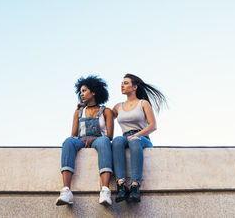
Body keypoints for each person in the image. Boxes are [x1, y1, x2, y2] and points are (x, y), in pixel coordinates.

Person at [56, 75, 114, 206]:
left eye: (84, 90)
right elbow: (74, 134)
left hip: (99, 140)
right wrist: (82, 141)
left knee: (104, 142)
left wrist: (93, 139)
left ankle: (105, 190)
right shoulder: (78, 112)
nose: (81, 94)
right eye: (80, 91)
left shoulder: (106, 111)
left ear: (94, 92)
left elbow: (109, 135)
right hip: (81, 140)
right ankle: (66, 191)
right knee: (68, 141)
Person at [112, 73, 166, 203]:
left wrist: (137, 135)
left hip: (142, 137)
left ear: (134, 87)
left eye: (126, 83)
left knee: (134, 141)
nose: (122, 85)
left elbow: (153, 126)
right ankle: (121, 184)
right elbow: (104, 117)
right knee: (117, 140)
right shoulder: (118, 106)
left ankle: (135, 185)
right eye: (122, 83)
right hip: (125, 137)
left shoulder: (143, 103)